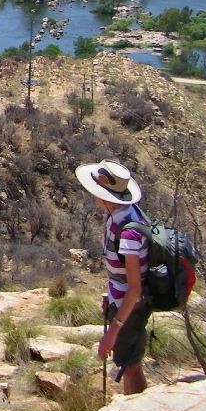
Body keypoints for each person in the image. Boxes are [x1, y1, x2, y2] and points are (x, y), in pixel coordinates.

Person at [75, 159, 150, 395]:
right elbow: (124, 276)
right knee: (128, 363)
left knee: (131, 365)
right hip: (123, 302)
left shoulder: (128, 232)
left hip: (131, 307)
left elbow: (135, 287)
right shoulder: (118, 216)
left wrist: (113, 330)